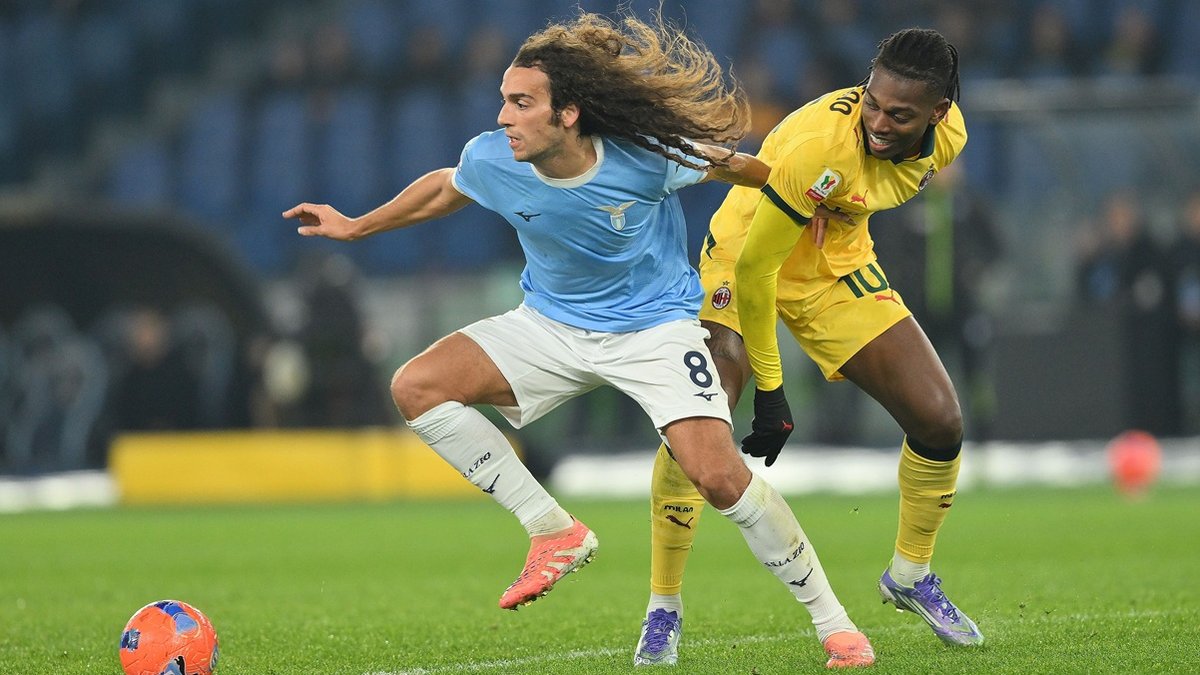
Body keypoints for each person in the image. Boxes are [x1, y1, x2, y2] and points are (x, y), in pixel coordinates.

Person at [284, 12, 874, 669]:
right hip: (550, 326)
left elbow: (741, 167)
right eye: (504, 100)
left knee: (717, 477)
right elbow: (446, 186)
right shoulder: (493, 157)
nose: (503, 117)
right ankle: (551, 529)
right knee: (417, 386)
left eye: (521, 103)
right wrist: (355, 226)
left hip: (655, 329)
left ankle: (835, 624)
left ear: (568, 114)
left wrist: (813, 205)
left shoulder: (649, 155)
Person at [636, 28, 984, 666]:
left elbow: (859, 194)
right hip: (746, 256)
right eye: (871, 102)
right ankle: (664, 606)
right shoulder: (820, 148)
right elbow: (757, 272)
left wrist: (833, 215)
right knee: (701, 417)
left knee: (940, 420)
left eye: (898, 115)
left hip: (835, 267)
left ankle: (910, 575)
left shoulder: (952, 138)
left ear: (938, 114)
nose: (877, 122)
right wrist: (772, 391)